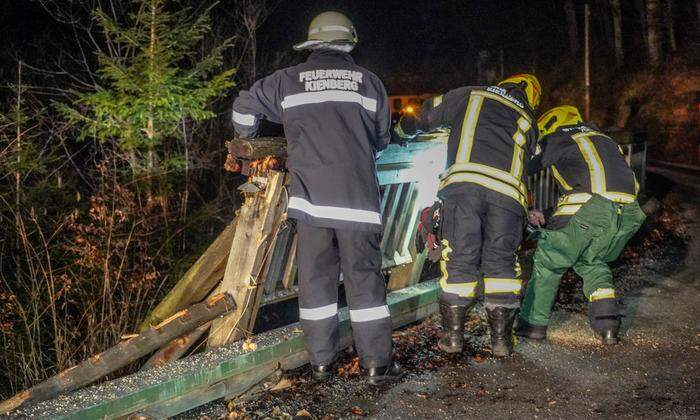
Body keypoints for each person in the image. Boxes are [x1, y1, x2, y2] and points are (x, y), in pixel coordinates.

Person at [231, 11, 401, 385]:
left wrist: (249, 141)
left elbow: (244, 106)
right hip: (358, 202)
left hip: (312, 204)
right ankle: (376, 365)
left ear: (312, 44)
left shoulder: (286, 82)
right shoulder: (370, 83)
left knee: (317, 283)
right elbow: (382, 138)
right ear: (347, 43)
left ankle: (321, 363)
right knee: (365, 284)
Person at [395, 74, 542, 356]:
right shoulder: (528, 118)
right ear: (532, 99)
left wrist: (399, 133)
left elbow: (425, 114)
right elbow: (532, 157)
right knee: (502, 265)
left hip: (464, 189)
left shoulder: (471, 94)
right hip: (508, 197)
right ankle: (501, 341)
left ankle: (452, 338)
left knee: (460, 260)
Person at [517, 105, 646, 344]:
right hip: (627, 215)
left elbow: (523, 166)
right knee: (591, 261)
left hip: (591, 211)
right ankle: (608, 325)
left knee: (549, 262)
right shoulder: (606, 141)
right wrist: (546, 214)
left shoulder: (558, 137)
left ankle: (532, 324)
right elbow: (591, 187)